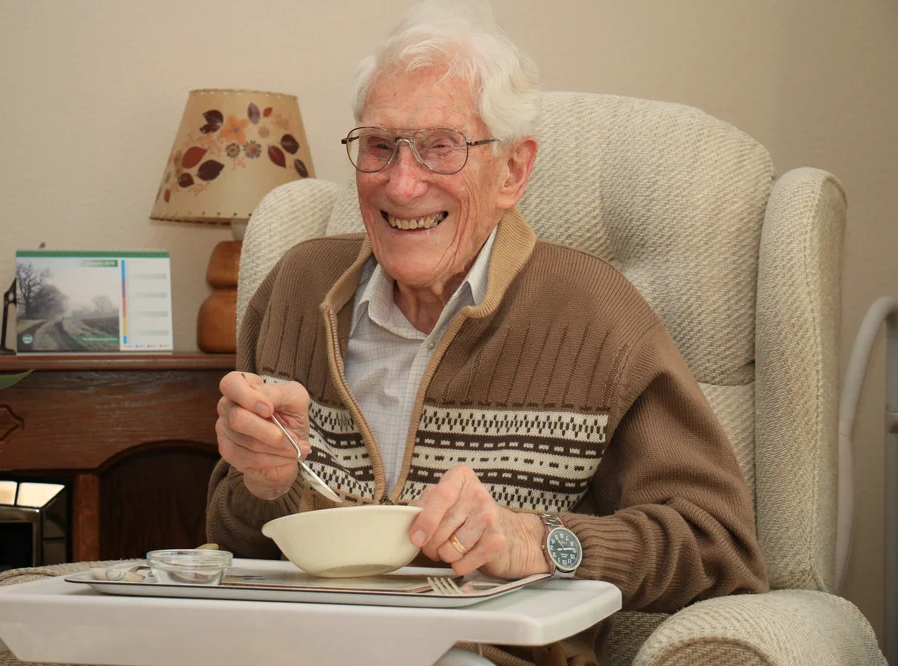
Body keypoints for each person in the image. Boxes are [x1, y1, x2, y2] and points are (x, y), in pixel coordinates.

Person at [207, 2, 768, 663]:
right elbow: (229, 536)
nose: (402, 182)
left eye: (440, 147)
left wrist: (535, 540)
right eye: (380, 146)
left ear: (513, 171)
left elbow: (718, 546)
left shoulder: (596, 313)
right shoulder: (299, 290)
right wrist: (269, 483)